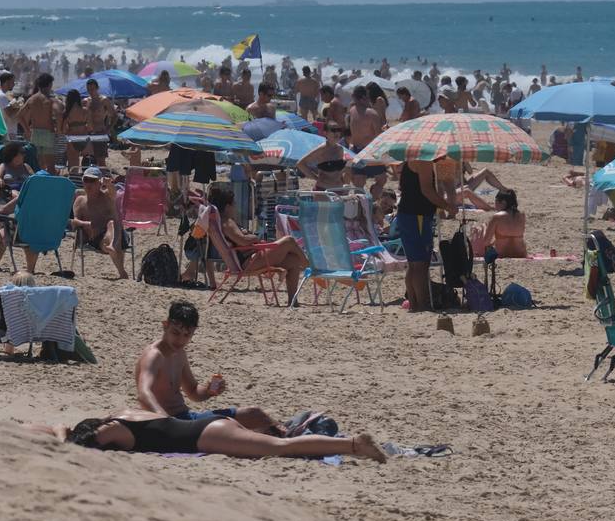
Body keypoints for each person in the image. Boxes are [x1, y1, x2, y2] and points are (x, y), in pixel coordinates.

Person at [134, 301, 282, 432]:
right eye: (175, 333)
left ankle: (287, 433)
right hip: (169, 424)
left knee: (255, 414)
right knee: (233, 429)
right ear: (165, 325)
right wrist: (166, 422)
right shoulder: (154, 355)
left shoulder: (179, 354)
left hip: (186, 418)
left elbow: (193, 392)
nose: (180, 340)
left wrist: (210, 390)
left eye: (187, 335)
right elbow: (143, 394)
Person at [43, 407, 385, 461]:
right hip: (207, 426)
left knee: (280, 447)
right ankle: (353, 444)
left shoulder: (110, 430)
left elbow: (80, 451)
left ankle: (354, 444)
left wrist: (60, 433)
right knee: (277, 444)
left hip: (205, 437)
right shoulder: (123, 414)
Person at [206, 185, 309, 303]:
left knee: (293, 261)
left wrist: (246, 235)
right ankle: (308, 265)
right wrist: (254, 237)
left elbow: (239, 240)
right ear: (227, 206)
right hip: (250, 262)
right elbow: (243, 241)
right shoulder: (227, 222)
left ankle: (292, 300)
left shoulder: (221, 223)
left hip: (250, 260)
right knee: (289, 241)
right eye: (234, 204)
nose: (235, 207)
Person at [398, 159, 454, 312]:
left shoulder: (413, 160)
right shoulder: (423, 161)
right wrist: (448, 206)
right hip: (417, 215)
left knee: (414, 264)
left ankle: (415, 305)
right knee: (421, 264)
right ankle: (422, 305)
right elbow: (427, 190)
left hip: (411, 214)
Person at [71, 166, 128, 279]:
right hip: (96, 238)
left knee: (112, 224)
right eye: (86, 180)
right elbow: (74, 221)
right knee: (110, 234)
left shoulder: (107, 196)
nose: (89, 184)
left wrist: (109, 184)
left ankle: (110, 245)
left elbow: (113, 192)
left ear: (99, 182)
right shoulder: (80, 200)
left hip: (115, 233)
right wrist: (86, 224)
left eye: (92, 180)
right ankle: (118, 265)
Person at [18, 73, 59, 169]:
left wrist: (27, 129)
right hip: (48, 133)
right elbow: (59, 114)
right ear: (49, 85)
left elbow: (19, 115)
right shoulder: (49, 100)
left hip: (35, 133)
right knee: (50, 165)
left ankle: (39, 182)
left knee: (39, 165)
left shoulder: (32, 99)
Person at [296, 125, 350, 190]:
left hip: (339, 190)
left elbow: (338, 172)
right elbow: (300, 164)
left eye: (339, 130)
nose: (337, 133)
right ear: (325, 133)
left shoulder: (340, 149)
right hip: (323, 190)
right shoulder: (321, 149)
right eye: (333, 130)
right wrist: (315, 178)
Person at [480, 189, 526, 258]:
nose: (494, 205)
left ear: (504, 202)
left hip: (501, 254)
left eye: (496, 202)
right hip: (520, 254)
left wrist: (483, 231)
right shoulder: (522, 215)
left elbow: (486, 242)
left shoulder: (497, 217)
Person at [84, 78, 116, 167]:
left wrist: (108, 129)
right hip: (89, 133)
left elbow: (114, 115)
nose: (90, 91)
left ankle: (104, 179)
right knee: (89, 160)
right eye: (88, 89)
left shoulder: (103, 100)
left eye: (92, 89)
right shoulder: (86, 101)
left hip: (100, 131)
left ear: (97, 88)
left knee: (101, 161)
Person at [347, 86, 385, 153]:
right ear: (363, 98)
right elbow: (379, 136)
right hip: (369, 150)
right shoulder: (372, 114)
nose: (369, 100)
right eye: (368, 97)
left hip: (355, 150)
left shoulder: (351, 110)